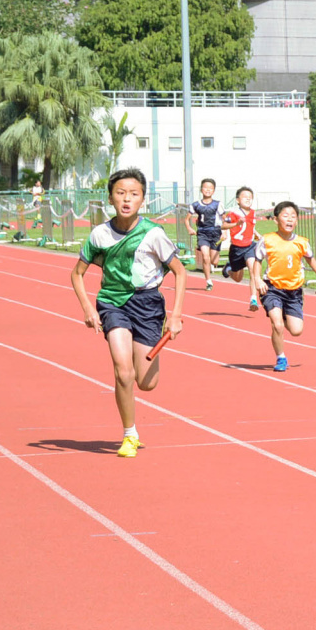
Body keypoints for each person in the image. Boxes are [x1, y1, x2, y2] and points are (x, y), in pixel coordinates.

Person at [68, 168, 185, 459]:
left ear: (143, 199)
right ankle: (129, 434)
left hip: (147, 305)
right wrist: (88, 309)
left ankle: (143, 354)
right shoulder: (100, 233)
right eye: (120, 193)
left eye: (134, 194)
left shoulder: (153, 233)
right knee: (123, 371)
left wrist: (175, 316)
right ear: (110, 198)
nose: (126, 199)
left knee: (146, 383)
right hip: (112, 303)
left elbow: (180, 272)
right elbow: (77, 274)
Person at [253, 200, 316, 373]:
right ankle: (281, 357)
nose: (289, 219)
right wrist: (257, 279)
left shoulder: (302, 242)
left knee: (296, 330)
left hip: (294, 291)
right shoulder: (267, 240)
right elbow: (257, 261)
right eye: (285, 216)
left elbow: (310, 259)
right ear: (276, 219)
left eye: (293, 216)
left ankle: (283, 315)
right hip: (272, 288)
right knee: (277, 325)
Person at [220, 185, 263, 310]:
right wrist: (236, 223)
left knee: (252, 269)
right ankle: (228, 269)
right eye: (245, 197)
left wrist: (257, 235)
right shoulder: (233, 213)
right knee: (238, 278)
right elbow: (223, 226)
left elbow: (251, 227)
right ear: (238, 200)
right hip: (236, 249)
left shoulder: (253, 213)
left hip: (250, 246)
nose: (248, 199)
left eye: (250, 197)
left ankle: (253, 299)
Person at [190, 178, 222, 290]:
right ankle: (208, 281)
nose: (208, 190)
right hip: (202, 233)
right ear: (201, 189)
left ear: (214, 190)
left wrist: (225, 232)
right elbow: (186, 219)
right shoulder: (196, 204)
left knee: (214, 261)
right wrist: (189, 228)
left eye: (210, 188)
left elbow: (225, 219)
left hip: (215, 233)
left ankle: (220, 264)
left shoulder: (218, 204)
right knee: (205, 257)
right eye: (205, 187)